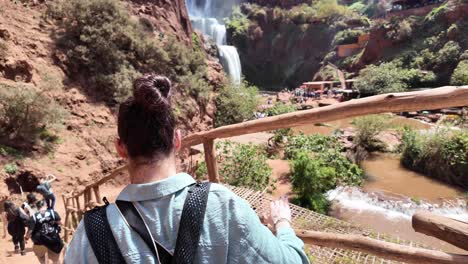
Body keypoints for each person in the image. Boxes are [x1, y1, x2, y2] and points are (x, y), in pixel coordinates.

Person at [65, 73, 309, 263]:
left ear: (121, 148)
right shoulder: (222, 207)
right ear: (177, 140)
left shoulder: (89, 234)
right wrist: (283, 224)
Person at [26, 200, 63, 264]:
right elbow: (60, 223)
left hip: (39, 242)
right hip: (53, 241)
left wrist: (26, 238)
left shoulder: (33, 217)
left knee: (43, 261)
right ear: (45, 205)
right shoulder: (52, 213)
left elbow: (30, 231)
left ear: (37, 207)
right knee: (56, 261)